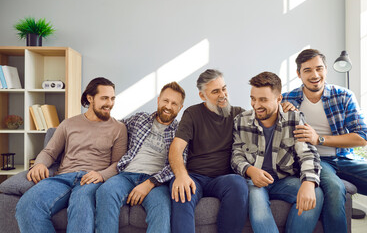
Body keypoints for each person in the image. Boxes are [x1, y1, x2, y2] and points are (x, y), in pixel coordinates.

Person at [282, 49, 367, 233]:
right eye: (307, 70)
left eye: (319, 68)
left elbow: (362, 137)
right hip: (314, 161)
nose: (315, 75)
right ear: (298, 74)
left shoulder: (343, 96)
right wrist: (281, 112)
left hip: (345, 159)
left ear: (326, 69)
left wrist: (319, 139)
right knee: (336, 190)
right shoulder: (287, 99)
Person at [15, 77, 128, 233]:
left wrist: (101, 175)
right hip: (62, 178)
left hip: (91, 179)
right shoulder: (68, 124)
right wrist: (39, 164)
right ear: (90, 98)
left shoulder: (119, 128)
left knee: (81, 206)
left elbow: (119, 163)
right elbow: (50, 152)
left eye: (112, 98)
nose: (110, 103)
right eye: (104, 98)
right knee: (27, 205)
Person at [231, 72, 323, 233]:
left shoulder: (294, 119)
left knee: (317, 194)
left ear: (279, 99)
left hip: (283, 180)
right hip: (254, 182)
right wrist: (250, 171)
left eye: (263, 100)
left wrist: (308, 183)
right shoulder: (241, 120)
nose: (256, 105)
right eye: (253, 98)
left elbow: (308, 154)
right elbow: (236, 155)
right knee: (258, 206)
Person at [95, 82, 186, 233]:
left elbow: (179, 165)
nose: (168, 106)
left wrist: (150, 183)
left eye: (174, 103)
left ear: (180, 107)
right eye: (165, 100)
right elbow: (114, 128)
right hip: (126, 175)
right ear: (158, 100)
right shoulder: (139, 119)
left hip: (157, 182)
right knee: (105, 191)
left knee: (162, 206)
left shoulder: (181, 131)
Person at [168, 69, 248, 233]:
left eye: (224, 88)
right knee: (181, 191)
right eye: (215, 91)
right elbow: (176, 148)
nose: (223, 95)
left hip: (223, 178)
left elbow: (266, 119)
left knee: (238, 184)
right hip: (194, 177)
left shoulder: (238, 114)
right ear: (203, 96)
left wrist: (284, 108)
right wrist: (182, 176)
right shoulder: (192, 113)